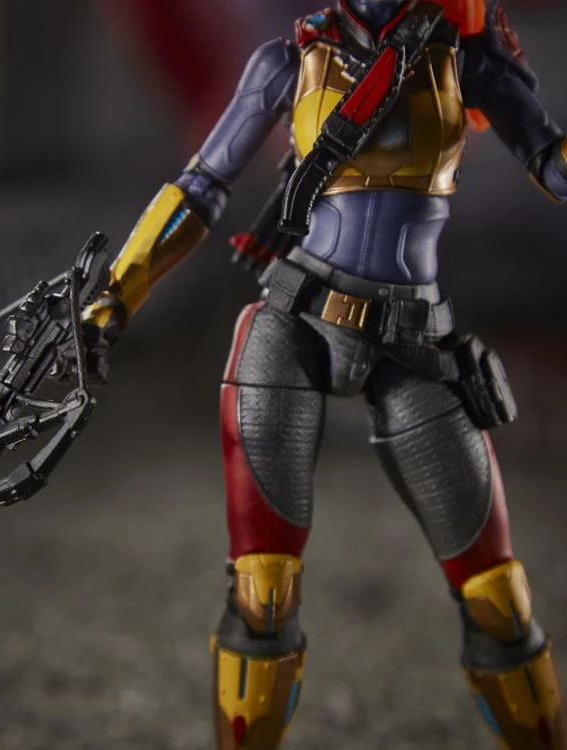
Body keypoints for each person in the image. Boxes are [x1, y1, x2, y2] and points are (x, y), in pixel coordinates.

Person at [83, 1, 567, 747]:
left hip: (414, 339)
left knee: (499, 600)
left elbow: (550, 161)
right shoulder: (289, 60)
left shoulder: (465, 58)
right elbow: (201, 186)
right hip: (297, 320)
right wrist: (119, 291)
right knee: (263, 594)